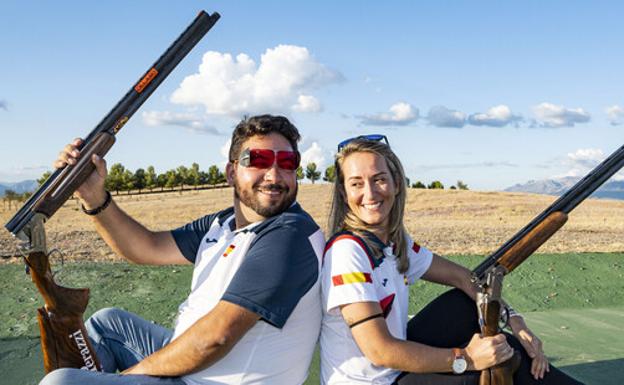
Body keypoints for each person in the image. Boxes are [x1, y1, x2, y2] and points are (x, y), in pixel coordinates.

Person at [40, 115, 325, 385]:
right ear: (231, 171)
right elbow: (147, 247)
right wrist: (94, 196)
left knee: (60, 382)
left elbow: (216, 338)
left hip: (211, 379)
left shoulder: (290, 235)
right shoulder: (223, 224)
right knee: (108, 324)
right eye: (259, 160)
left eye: (288, 162)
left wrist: (126, 377)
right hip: (197, 370)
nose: (274, 175)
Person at [320, 134, 584, 385]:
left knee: (477, 315)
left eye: (379, 179)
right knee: (481, 370)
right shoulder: (348, 252)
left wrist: (513, 319)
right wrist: (466, 359)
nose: (370, 193)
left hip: (393, 373)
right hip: (375, 380)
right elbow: (380, 350)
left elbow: (464, 279)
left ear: (397, 183)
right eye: (356, 183)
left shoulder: (395, 243)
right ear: (344, 193)